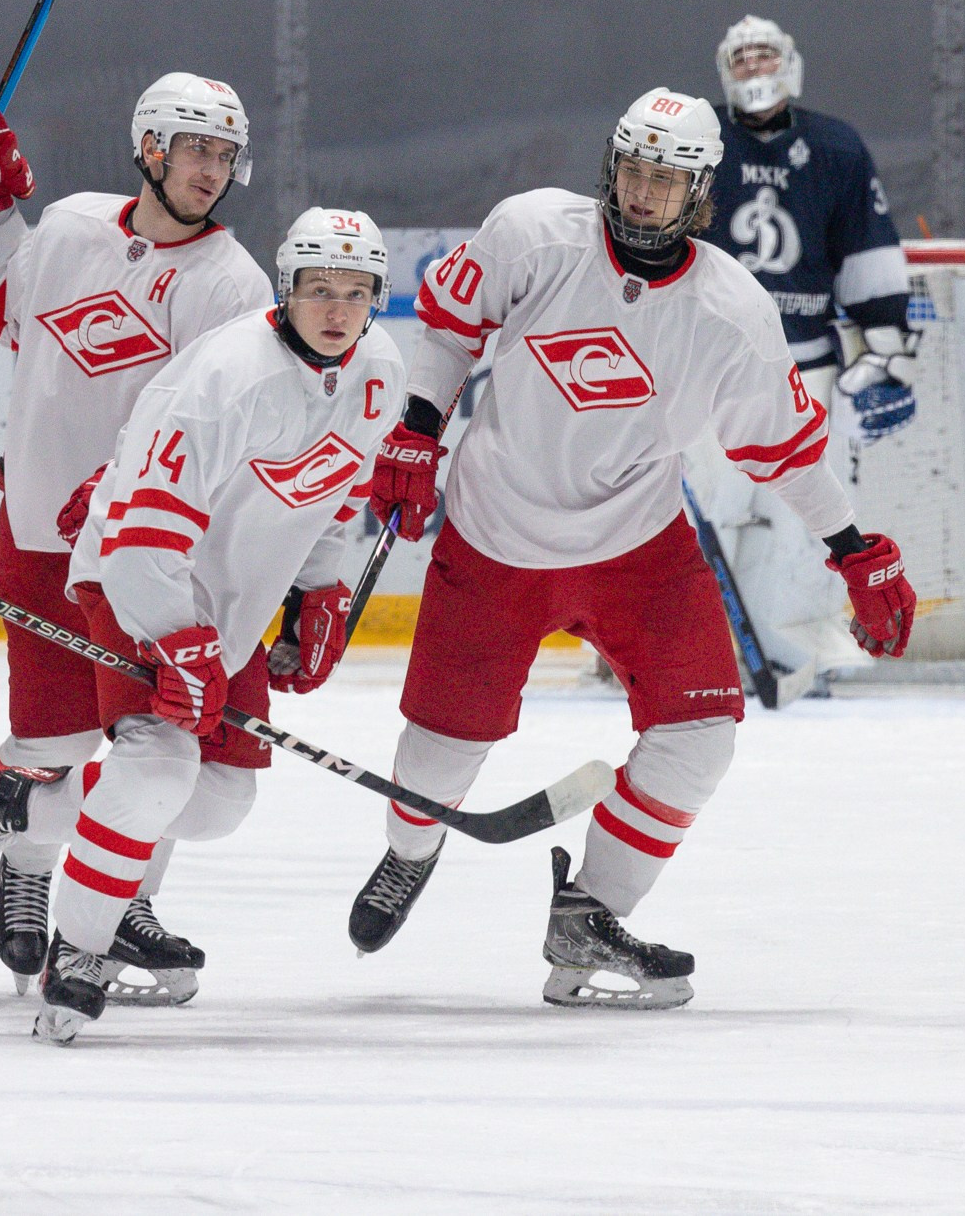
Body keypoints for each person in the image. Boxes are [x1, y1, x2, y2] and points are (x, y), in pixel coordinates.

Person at [352, 89, 917, 1008]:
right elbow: (451, 326)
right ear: (611, 167)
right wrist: (419, 426)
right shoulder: (532, 232)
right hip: (497, 536)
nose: (644, 191)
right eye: (633, 169)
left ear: (701, 191)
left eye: (667, 177)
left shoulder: (730, 309)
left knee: (699, 738)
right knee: (434, 764)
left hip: (638, 546)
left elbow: (785, 447)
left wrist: (854, 547)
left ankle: (590, 910)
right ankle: (410, 851)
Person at [0, 208, 402, 1043]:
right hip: (133, 575)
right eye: (319, 289)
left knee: (218, 801)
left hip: (229, 603)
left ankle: (5, 798)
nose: (336, 309)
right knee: (155, 765)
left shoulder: (378, 374)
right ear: (286, 290)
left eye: (355, 293)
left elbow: (337, 493)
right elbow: (143, 539)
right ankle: (78, 954)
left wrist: (320, 592)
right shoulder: (225, 380)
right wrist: (177, 643)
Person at [0, 74, 271, 993]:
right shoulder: (76, 225)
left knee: (153, 746)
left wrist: (123, 493)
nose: (212, 170)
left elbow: (212, 427)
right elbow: (6, 312)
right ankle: (28, 866)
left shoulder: (233, 286)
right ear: (150, 148)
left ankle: (114, 901)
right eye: (196, 149)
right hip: (40, 525)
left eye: (225, 155)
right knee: (51, 741)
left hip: (143, 548)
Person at [694, 15, 917, 685]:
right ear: (721, 71)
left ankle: (781, 638)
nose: (754, 71)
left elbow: (867, 247)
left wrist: (885, 348)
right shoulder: (696, 142)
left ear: (791, 64)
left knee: (792, 516)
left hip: (806, 367)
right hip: (708, 363)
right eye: (741, 60)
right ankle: (657, 646)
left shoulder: (837, 148)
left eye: (765, 58)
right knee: (702, 507)